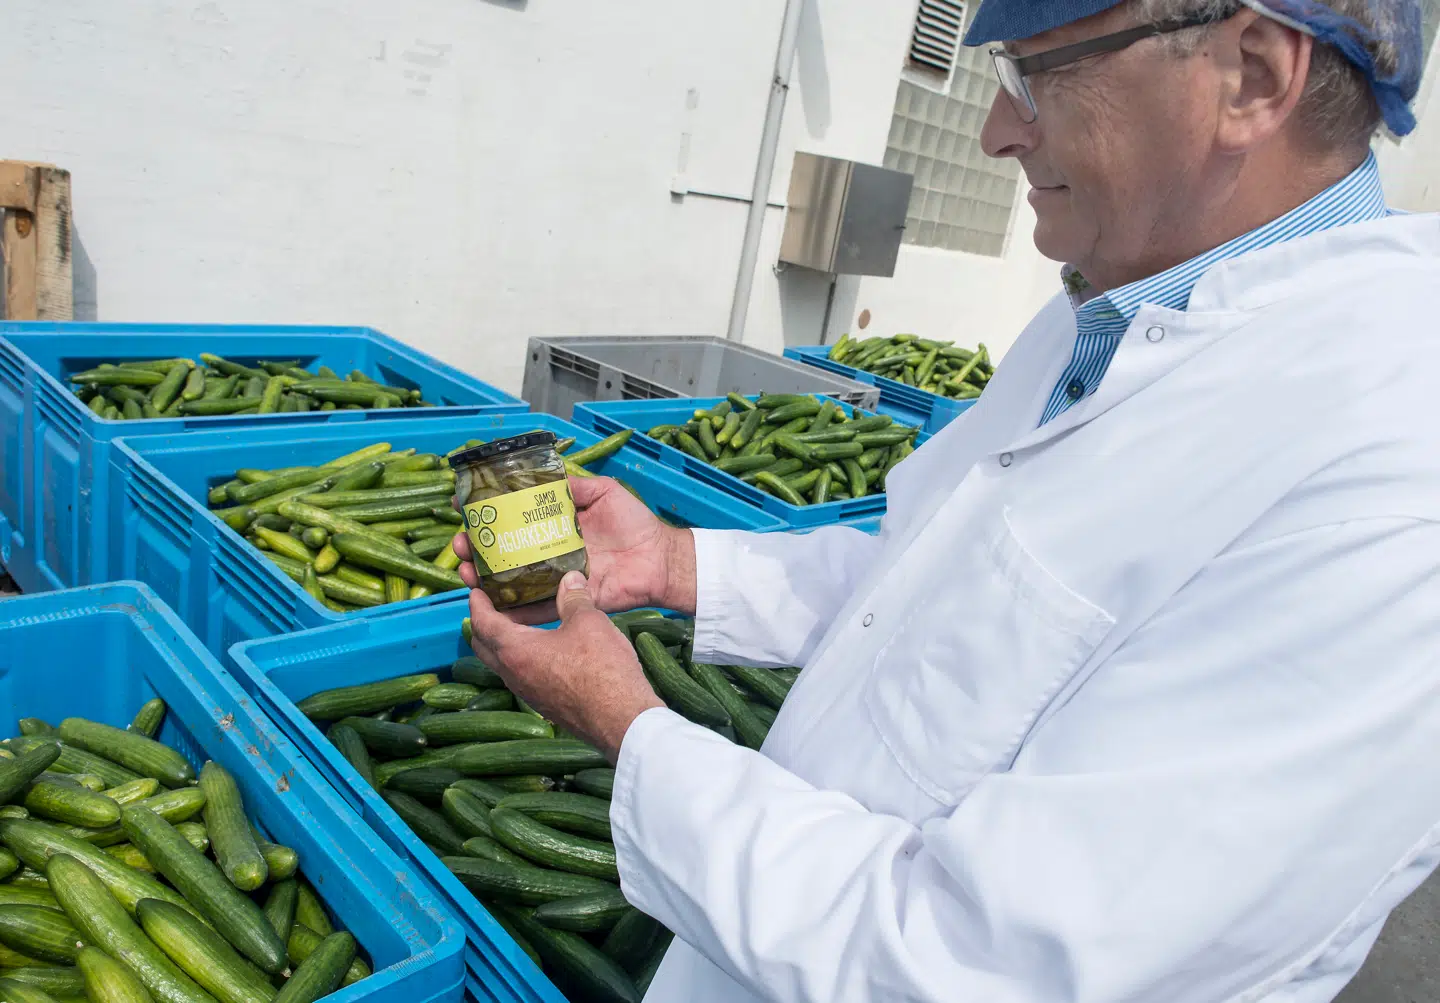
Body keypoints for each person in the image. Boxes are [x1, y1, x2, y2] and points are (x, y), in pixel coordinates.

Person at [457, 0, 1440, 999]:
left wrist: (634, 730)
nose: (995, 132)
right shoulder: (1102, 317)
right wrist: (679, 565)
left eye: (1033, 77)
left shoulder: (1385, 492)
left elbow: (983, 969)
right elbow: (939, 582)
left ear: (1255, 74)